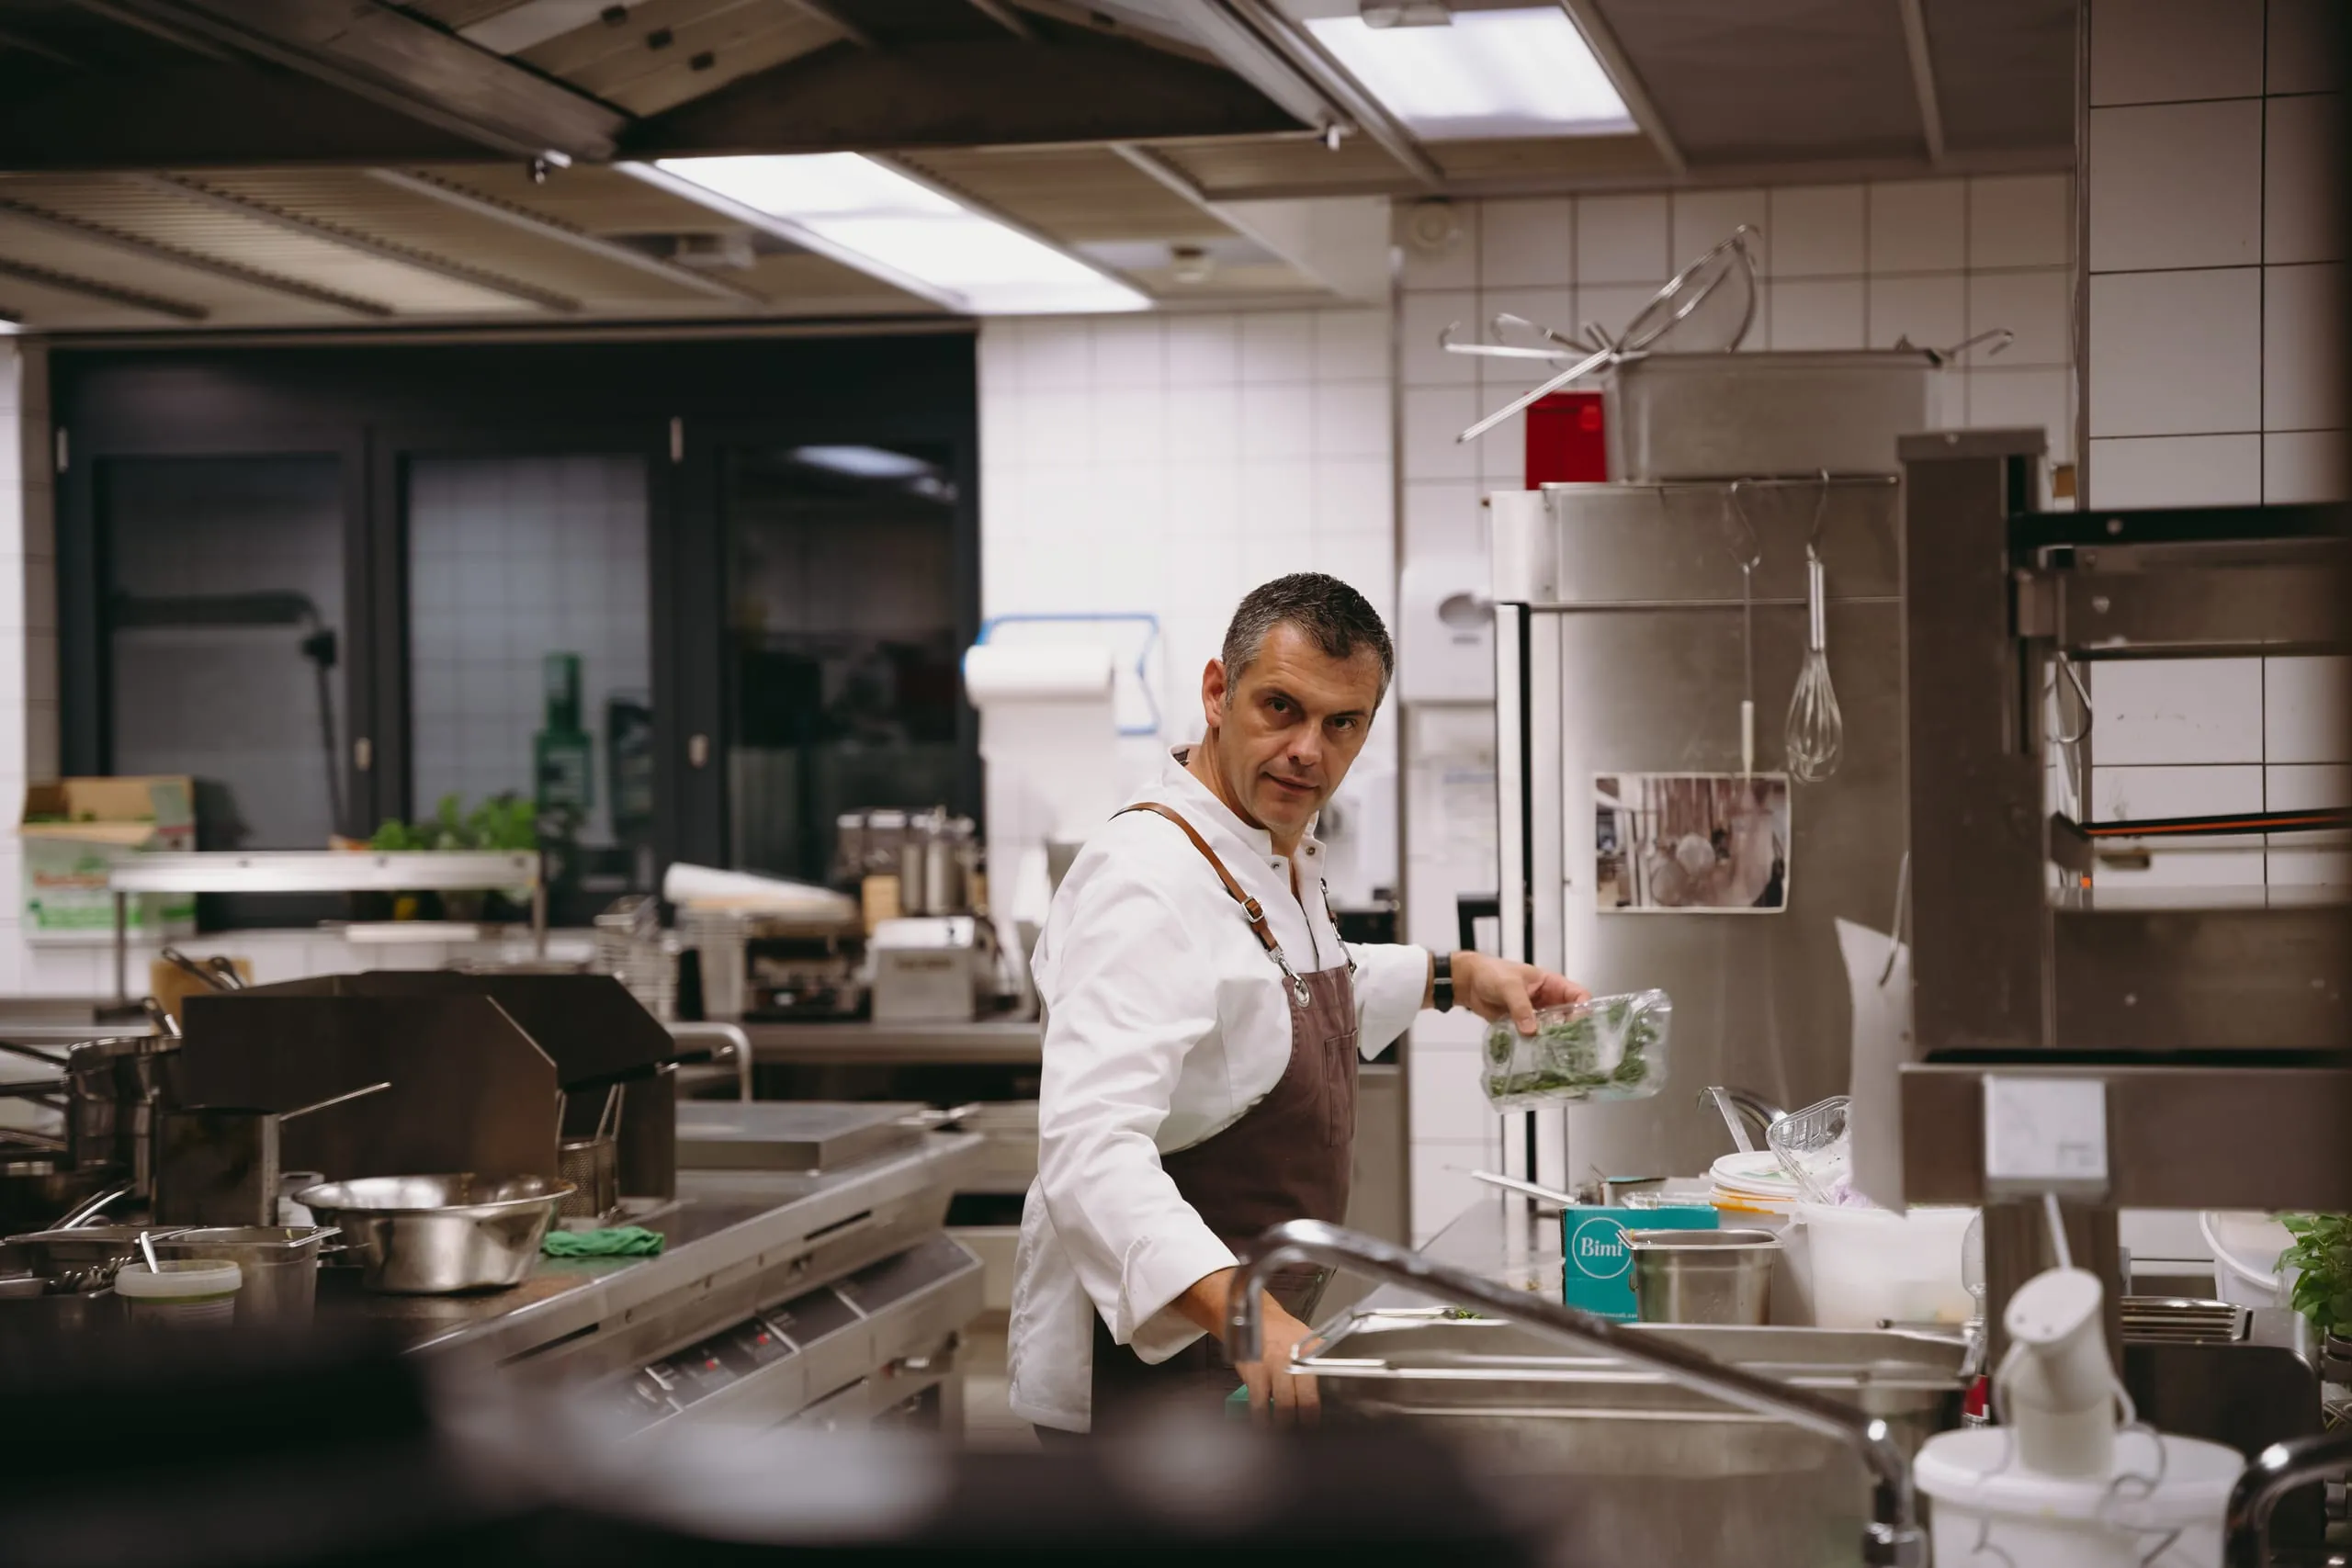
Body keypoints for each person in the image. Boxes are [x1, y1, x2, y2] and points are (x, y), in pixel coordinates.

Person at [1010, 574, 1589, 1438]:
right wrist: (1246, 1310)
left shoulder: (1266, 849)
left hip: (1238, 1361)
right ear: (1218, 692)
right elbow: (1089, 1149)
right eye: (1281, 707)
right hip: (1143, 1380)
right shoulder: (1145, 880)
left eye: (1341, 723)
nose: (1308, 750)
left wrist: (1456, 977)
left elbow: (1279, 994)